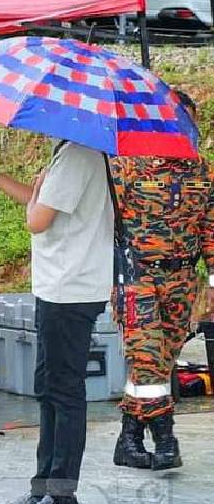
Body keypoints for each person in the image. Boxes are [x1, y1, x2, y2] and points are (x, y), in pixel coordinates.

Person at [0, 128, 113, 503]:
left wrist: (38, 194)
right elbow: (40, 202)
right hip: (57, 288)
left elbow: (37, 218)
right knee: (49, 387)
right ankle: (45, 485)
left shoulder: (80, 153)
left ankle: (61, 492)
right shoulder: (68, 150)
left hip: (70, 289)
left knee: (63, 392)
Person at [108, 91, 214, 472]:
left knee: (156, 362)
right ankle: (166, 438)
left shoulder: (202, 170)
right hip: (138, 279)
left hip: (182, 279)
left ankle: (129, 437)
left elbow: (210, 228)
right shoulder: (127, 167)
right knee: (150, 361)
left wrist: (213, 282)